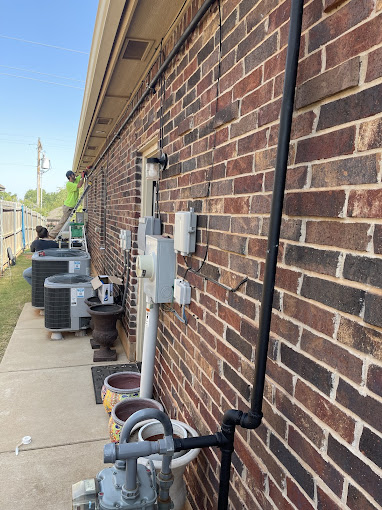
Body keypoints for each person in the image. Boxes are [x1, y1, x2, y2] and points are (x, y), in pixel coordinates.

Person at [49, 170, 86, 239]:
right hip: (68, 206)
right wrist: (83, 178)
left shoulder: (75, 180)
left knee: (64, 221)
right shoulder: (69, 184)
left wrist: (85, 170)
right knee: (63, 221)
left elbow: (81, 175)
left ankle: (53, 234)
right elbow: (79, 185)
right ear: (69, 176)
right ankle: (52, 234)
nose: (75, 175)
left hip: (71, 206)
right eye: (73, 175)